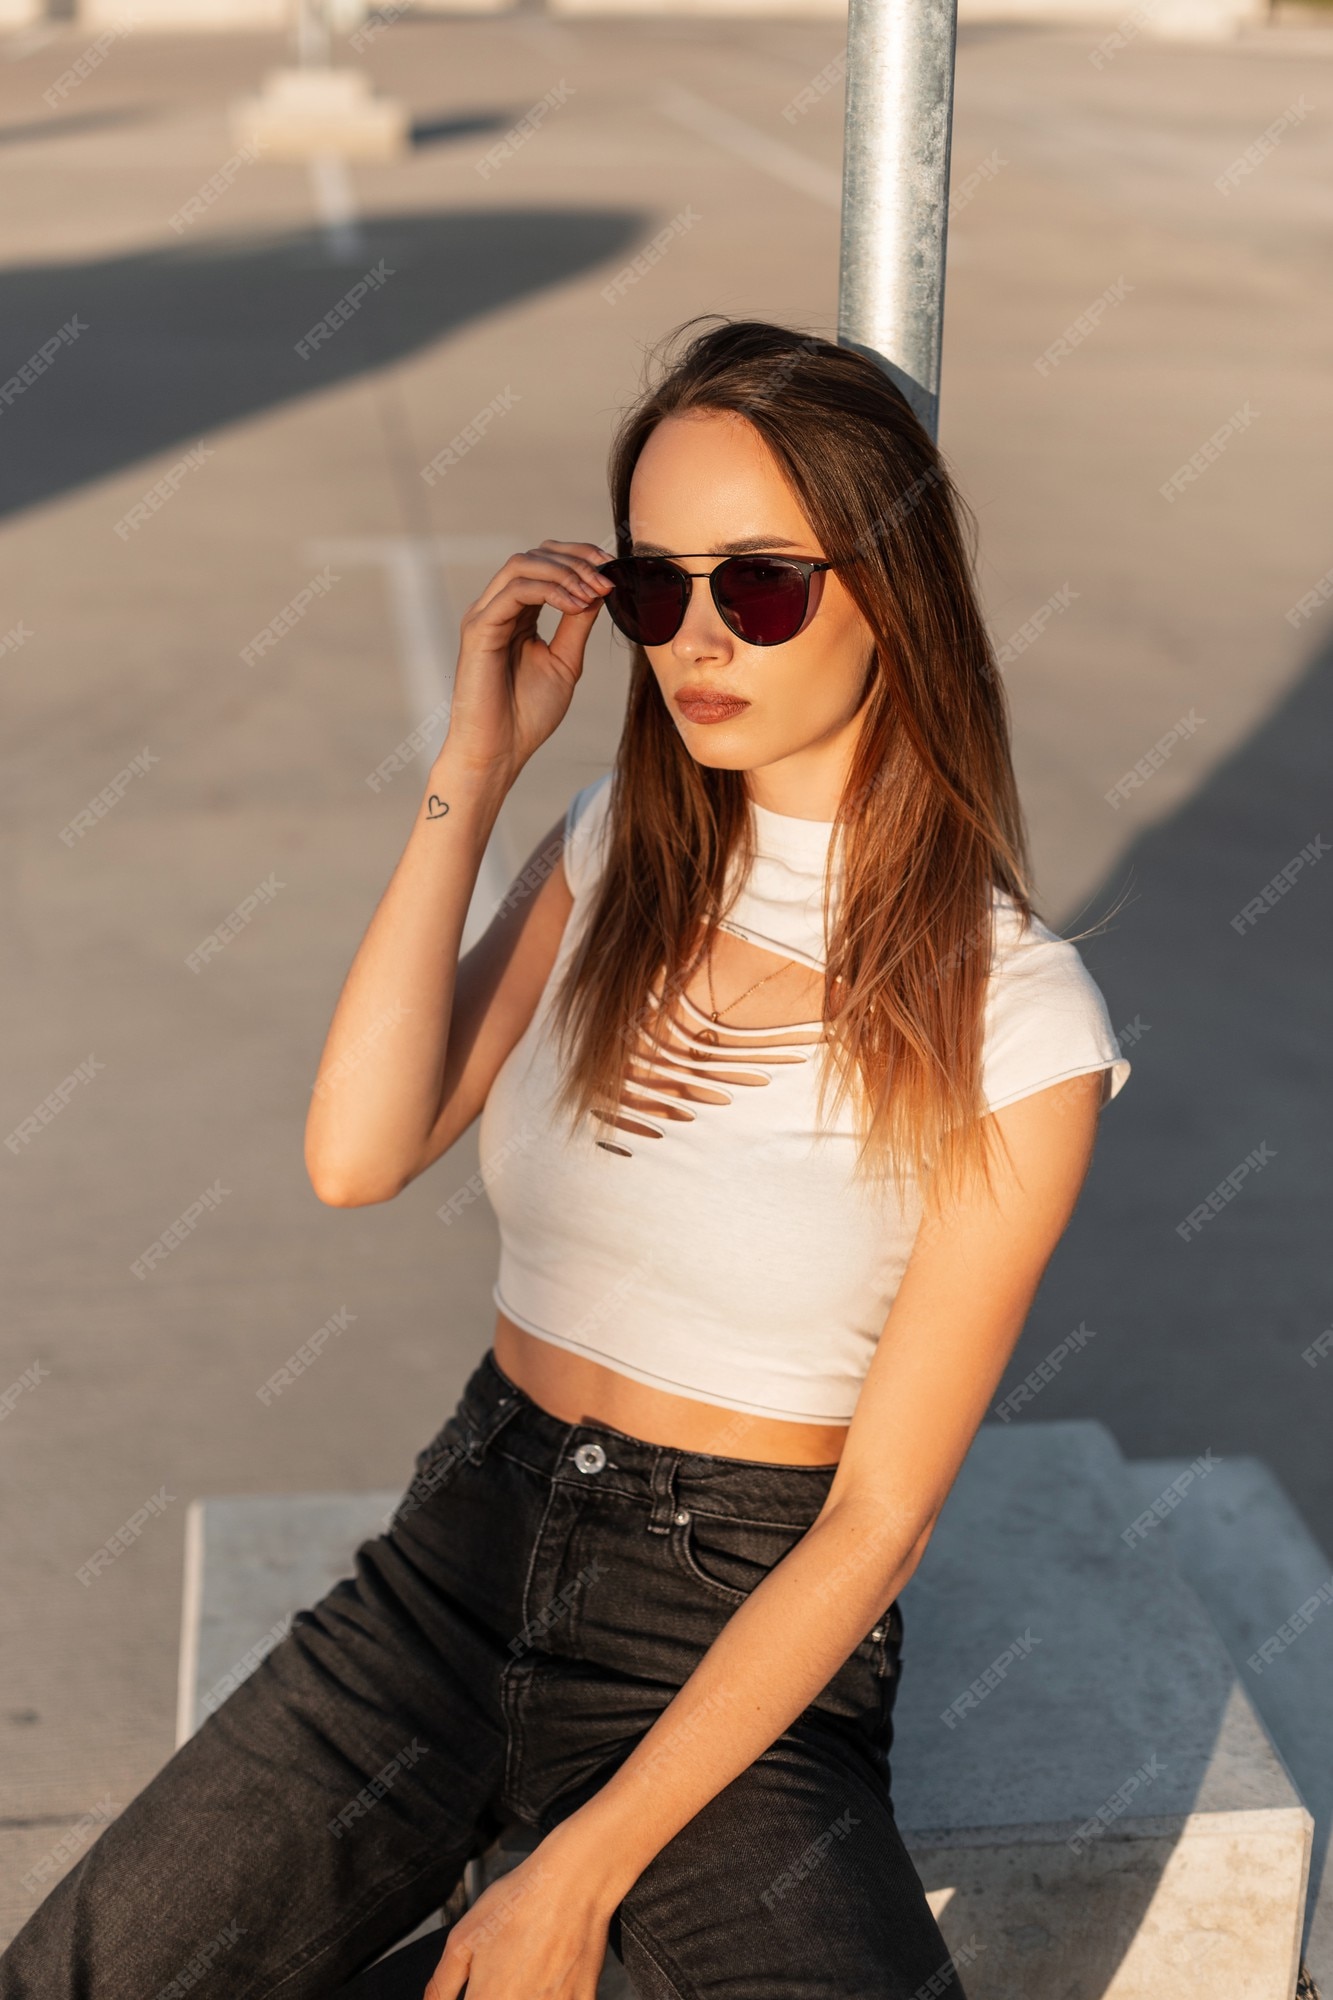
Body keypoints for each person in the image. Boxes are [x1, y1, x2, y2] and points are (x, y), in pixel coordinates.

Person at [0, 317, 1129, 2000]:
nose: (693, 641)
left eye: (755, 587)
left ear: (892, 590)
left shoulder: (1016, 1018)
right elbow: (356, 1154)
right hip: (456, 1561)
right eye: (656, 589)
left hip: (739, 1631)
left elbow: (878, 1524)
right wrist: (475, 767)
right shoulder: (614, 850)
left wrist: (576, 1873)